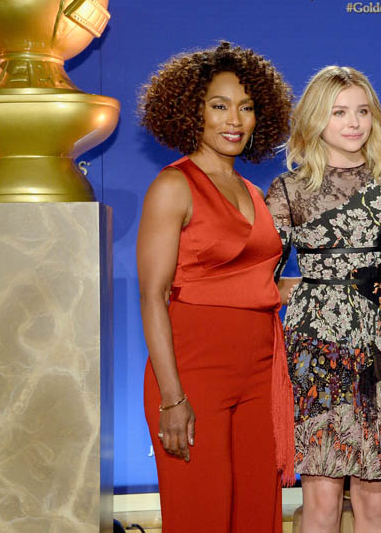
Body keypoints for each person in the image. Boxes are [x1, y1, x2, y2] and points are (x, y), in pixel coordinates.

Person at [136, 41, 295, 533]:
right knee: (200, 515)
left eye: (246, 107)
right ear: (193, 112)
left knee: (257, 515)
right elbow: (153, 296)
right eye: (220, 106)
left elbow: (257, 286)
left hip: (260, 374)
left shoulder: (254, 192)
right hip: (194, 374)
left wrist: (340, 282)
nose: (235, 120)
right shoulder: (174, 186)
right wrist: (172, 397)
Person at [264, 65, 381, 533]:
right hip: (317, 351)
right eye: (339, 112)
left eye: (362, 111)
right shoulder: (289, 189)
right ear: (315, 118)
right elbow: (260, 276)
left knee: (376, 498)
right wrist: (309, 289)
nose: (354, 122)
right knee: (321, 497)